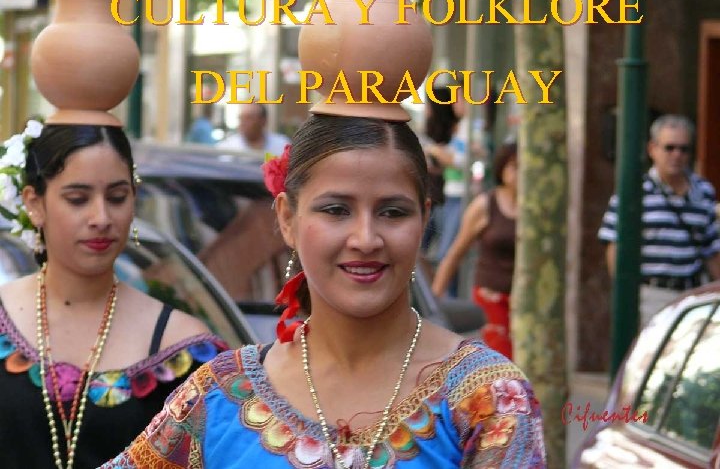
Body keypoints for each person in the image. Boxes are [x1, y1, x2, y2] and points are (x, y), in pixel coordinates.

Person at [102, 115, 545, 468]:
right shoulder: (219, 395)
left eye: (393, 212)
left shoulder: (488, 399)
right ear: (287, 219)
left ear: (424, 220)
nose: (366, 239)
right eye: (336, 210)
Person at [0, 121, 228, 469]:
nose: (102, 217)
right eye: (78, 199)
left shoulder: (185, 348)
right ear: (35, 203)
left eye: (117, 198)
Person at [599, 114, 720, 325]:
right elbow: (615, 246)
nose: (677, 155)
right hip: (649, 295)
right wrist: (625, 296)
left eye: (684, 149)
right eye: (669, 148)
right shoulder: (634, 192)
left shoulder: (703, 191)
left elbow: (711, 249)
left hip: (691, 296)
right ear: (652, 149)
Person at [431, 142, 518, 359]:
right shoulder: (485, 205)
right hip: (492, 297)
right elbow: (455, 254)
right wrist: (433, 302)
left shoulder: (537, 211)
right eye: (514, 166)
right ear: (502, 169)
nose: (519, 174)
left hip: (525, 302)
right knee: (501, 361)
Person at [423, 87, 467, 297]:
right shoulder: (460, 129)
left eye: (460, 98)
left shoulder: (469, 128)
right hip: (449, 195)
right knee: (445, 251)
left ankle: (442, 299)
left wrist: (434, 152)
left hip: (458, 197)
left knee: (447, 253)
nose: (456, 103)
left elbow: (459, 161)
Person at [420, 87, 460, 256]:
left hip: (445, 194)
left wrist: (434, 152)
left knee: (444, 248)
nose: (426, 109)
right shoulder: (430, 130)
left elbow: (455, 161)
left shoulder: (458, 131)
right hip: (435, 192)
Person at [216, 102, 290, 156]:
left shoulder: (282, 145)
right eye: (241, 118)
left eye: (249, 118)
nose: (243, 123)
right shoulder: (225, 148)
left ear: (263, 121)